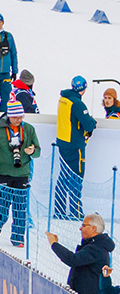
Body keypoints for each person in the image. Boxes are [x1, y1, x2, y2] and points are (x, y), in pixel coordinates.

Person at [0, 103, 43, 248]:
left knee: (20, 207)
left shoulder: (29, 129)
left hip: (22, 173)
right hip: (3, 172)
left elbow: (38, 150)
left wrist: (32, 151)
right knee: (2, 204)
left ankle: (18, 238)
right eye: (16, 117)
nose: (19, 119)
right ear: (9, 116)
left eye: (21, 116)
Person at [53, 75, 96, 222]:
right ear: (83, 89)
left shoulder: (63, 100)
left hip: (62, 141)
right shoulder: (78, 104)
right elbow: (88, 124)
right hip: (75, 144)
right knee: (76, 177)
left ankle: (58, 210)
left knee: (63, 176)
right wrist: (91, 121)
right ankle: (75, 211)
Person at [50, 212, 113, 294]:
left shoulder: (96, 248)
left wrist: (54, 244)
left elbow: (73, 259)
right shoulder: (94, 245)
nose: (80, 228)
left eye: (84, 225)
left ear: (93, 228)